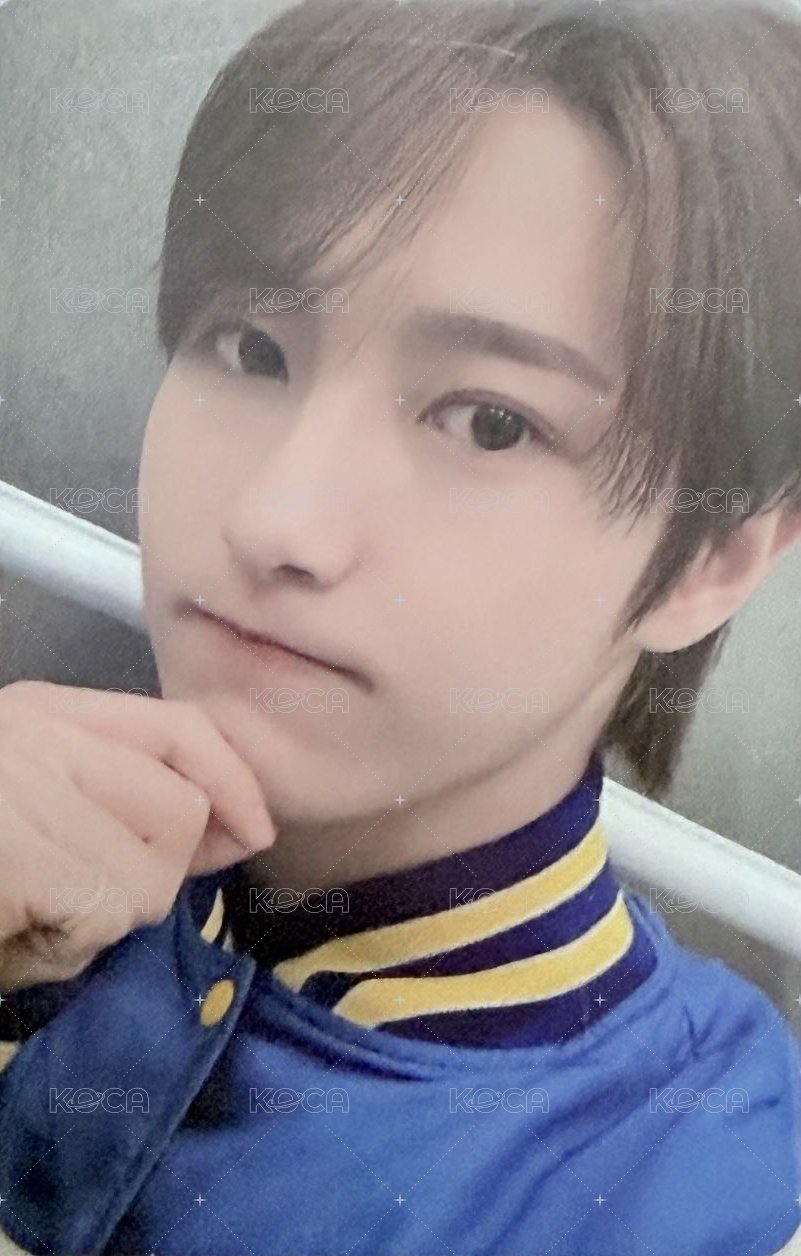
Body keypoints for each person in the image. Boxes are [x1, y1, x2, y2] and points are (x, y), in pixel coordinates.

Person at [1, 0, 800, 1252]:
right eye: (251, 346)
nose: (278, 517)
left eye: (490, 421)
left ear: (710, 558)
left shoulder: (717, 1194)